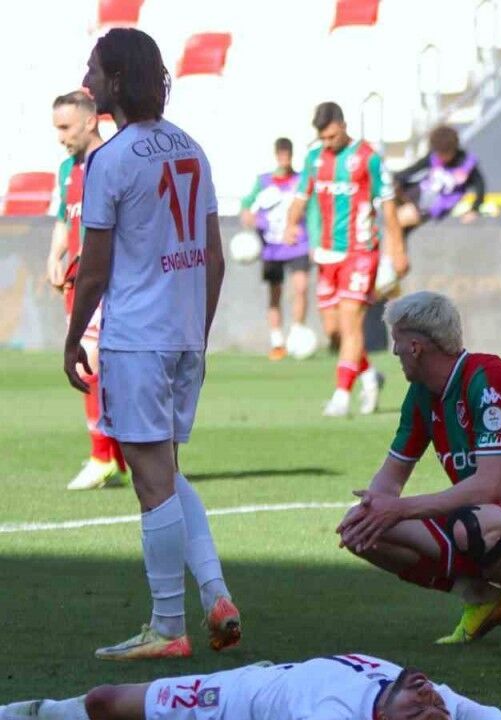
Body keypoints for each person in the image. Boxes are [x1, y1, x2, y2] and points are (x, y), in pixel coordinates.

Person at [65, 27, 239, 660]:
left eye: (94, 70)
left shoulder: (110, 159)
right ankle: (215, 594)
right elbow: (214, 258)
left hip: (137, 339)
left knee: (151, 481)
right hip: (184, 335)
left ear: (117, 79)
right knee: (165, 469)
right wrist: (199, 333)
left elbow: (94, 267)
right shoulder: (192, 148)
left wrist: (72, 336)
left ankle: (168, 627)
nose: (87, 80)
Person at [336, 291, 501, 652]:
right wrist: (372, 508)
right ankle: (482, 599)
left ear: (416, 347)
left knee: (470, 525)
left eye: (397, 342)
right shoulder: (422, 395)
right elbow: (390, 479)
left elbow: (490, 488)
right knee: (362, 527)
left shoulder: (488, 380)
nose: (394, 352)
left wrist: (400, 509)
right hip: (480, 524)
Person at [285, 101, 408, 417]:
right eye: (323, 138)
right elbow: (300, 197)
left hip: (360, 252)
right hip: (327, 255)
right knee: (335, 330)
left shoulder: (368, 158)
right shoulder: (314, 159)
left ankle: (341, 396)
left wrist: (397, 249)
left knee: (352, 322)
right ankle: (369, 376)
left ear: (342, 125)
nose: (328, 143)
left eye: (331, 136)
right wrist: (290, 224)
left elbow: (389, 207)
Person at [0, 653, 501, 719]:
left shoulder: (333, 709)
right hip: (250, 687)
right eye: (428, 705)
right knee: (102, 702)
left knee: (104, 703)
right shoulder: (333, 710)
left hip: (258, 696)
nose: (431, 701)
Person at [46, 89, 130, 490]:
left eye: (66, 127)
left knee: (91, 361)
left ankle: (101, 456)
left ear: (91, 120)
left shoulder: (115, 162)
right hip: (78, 279)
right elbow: (65, 217)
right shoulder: (67, 169)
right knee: (96, 364)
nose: (61, 137)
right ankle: (115, 458)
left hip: (111, 279)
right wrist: (54, 255)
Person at [239, 137, 310, 361]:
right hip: (272, 246)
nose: (284, 159)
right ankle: (277, 342)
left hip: (297, 243)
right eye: (281, 155)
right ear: (276, 155)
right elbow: (246, 204)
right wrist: (247, 215)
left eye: (287, 155)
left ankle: (297, 334)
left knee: (301, 287)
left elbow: (313, 206)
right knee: (275, 293)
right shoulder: (264, 182)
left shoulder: (301, 180)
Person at [393, 124, 484, 232]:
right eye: (438, 153)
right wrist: (394, 178)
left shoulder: (466, 163)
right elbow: (412, 170)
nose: (440, 157)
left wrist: (474, 209)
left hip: (436, 204)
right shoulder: (434, 156)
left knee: (398, 221)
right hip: (421, 192)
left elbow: (480, 186)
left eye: (444, 154)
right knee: (393, 192)